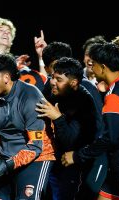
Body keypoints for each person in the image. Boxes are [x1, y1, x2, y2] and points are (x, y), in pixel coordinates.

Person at [61, 43, 119, 199]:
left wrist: (76, 156)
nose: (91, 68)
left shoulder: (115, 95)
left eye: (93, 64)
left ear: (102, 67)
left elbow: (109, 138)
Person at [0, 53, 55, 199]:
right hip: (6, 158)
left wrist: (8, 164)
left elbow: (36, 146)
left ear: (6, 77)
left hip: (37, 158)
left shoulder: (30, 97)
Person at [35, 57, 100, 200]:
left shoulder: (84, 101)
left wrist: (58, 118)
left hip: (73, 166)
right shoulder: (51, 91)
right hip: (50, 161)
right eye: (52, 77)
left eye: (58, 79)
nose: (52, 82)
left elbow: (72, 142)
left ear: (73, 83)